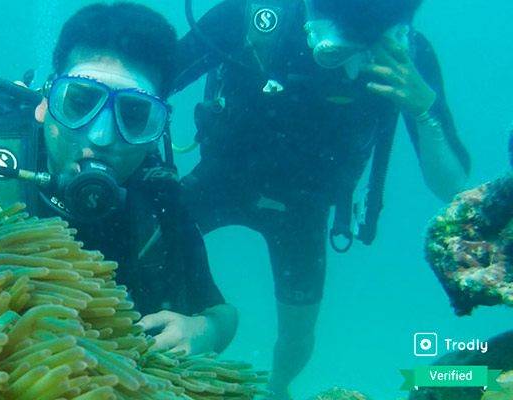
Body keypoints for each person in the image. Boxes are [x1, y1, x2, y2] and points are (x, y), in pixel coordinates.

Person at [0, 2, 238, 356]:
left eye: (135, 115)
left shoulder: (159, 200)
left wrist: (205, 330)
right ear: (44, 102)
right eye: (79, 101)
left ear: (158, 131)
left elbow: (222, 312)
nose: (101, 136)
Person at [173, 0, 470, 398]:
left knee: (297, 333)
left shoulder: (408, 55)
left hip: (304, 208)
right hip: (220, 180)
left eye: (370, 54)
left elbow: (452, 187)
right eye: (337, 53)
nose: (352, 71)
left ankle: (277, 388)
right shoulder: (254, 18)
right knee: (141, 251)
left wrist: (424, 109)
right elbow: (155, 78)